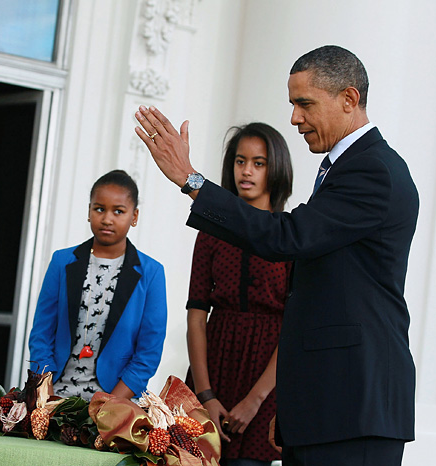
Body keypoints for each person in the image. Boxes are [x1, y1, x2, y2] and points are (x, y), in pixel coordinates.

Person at [135, 45, 418, 466]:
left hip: (354, 406)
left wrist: (191, 180)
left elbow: (286, 237)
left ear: (349, 99)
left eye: (305, 104)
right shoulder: (348, 168)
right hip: (326, 407)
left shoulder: (372, 169)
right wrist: (296, 411)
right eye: (292, 104)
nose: (294, 118)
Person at [186, 123, 293, 466]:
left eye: (259, 163)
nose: (246, 171)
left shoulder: (291, 235)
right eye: (240, 161)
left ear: (275, 169)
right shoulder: (210, 231)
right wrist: (206, 395)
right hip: (214, 367)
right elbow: (196, 316)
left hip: (268, 378)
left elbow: (294, 325)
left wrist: (256, 399)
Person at [28, 169, 168, 400]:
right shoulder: (62, 262)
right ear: (89, 211)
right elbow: (41, 335)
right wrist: (47, 396)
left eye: (119, 211)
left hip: (115, 401)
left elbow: (148, 353)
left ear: (134, 217)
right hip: (54, 394)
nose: (107, 219)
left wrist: (111, 405)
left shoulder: (151, 273)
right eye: (99, 209)